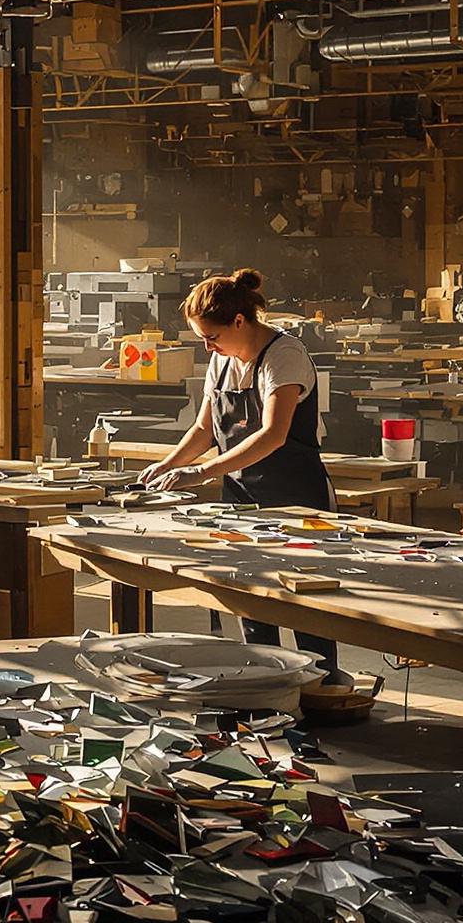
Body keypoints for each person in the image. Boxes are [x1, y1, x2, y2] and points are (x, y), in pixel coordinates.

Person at [137, 269, 342, 674]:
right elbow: (203, 429)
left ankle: (319, 689)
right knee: (252, 600)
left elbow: (273, 434)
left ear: (239, 321)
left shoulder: (284, 355)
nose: (209, 347)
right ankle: (263, 689)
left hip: (295, 496)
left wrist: (202, 473)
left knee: (304, 606)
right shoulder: (223, 362)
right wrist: (169, 463)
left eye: (212, 337)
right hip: (242, 496)